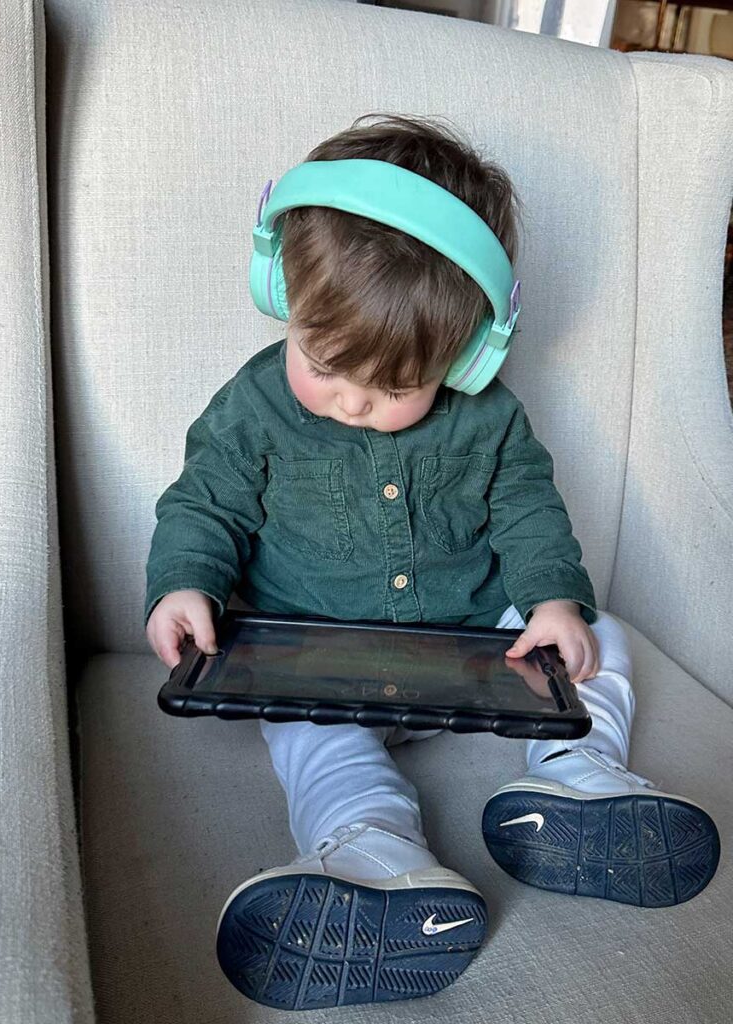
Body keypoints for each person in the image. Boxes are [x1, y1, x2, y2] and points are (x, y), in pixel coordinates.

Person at [144, 114, 720, 1011]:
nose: (355, 402)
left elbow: (527, 511)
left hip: (475, 653)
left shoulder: (489, 415)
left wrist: (553, 605)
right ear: (279, 289)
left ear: (469, 354)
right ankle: (373, 853)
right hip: (319, 662)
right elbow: (204, 502)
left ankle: (582, 780)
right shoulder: (253, 406)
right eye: (327, 366)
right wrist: (185, 583)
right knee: (313, 743)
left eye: (395, 389)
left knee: (601, 638)